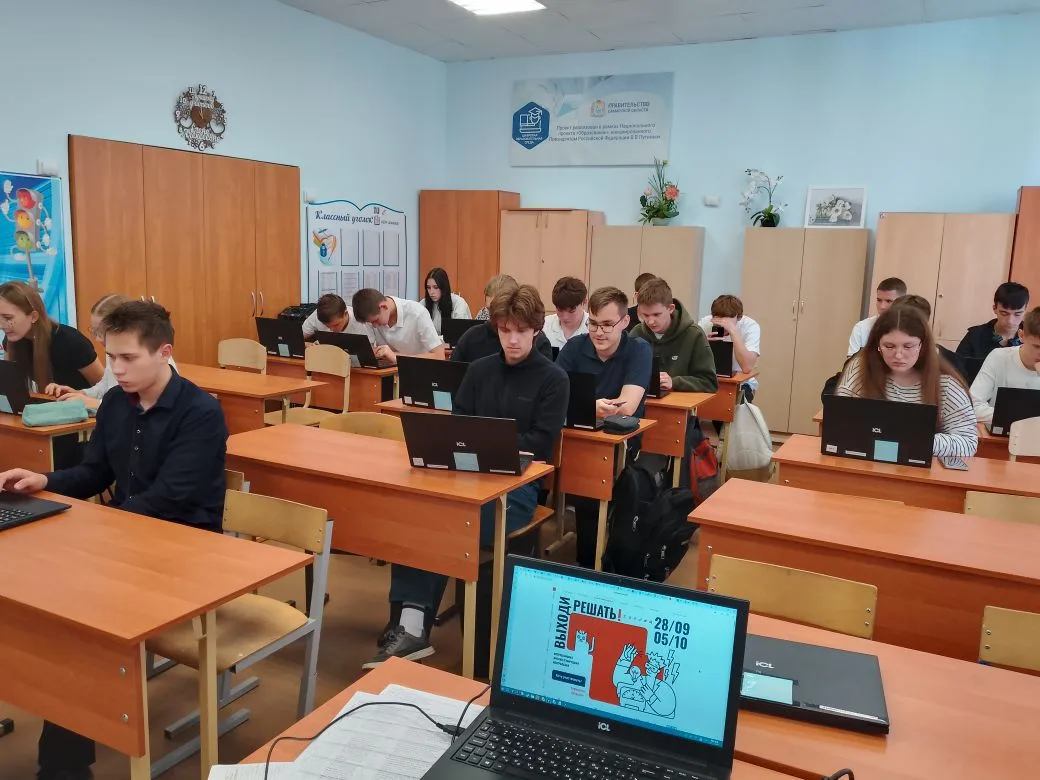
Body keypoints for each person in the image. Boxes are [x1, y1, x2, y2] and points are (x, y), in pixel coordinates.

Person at [0, 300, 228, 780]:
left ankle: (63, 767)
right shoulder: (115, 405)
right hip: (124, 539)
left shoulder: (201, 412)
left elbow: (168, 498)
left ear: (164, 353)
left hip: (186, 550)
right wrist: (45, 481)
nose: (116, 370)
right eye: (111, 357)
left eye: (127, 358)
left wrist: (97, 535)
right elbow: (95, 472)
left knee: (79, 628)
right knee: (49, 607)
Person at [367, 284, 568, 667]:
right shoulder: (479, 370)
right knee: (417, 513)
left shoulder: (554, 379)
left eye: (521, 331)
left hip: (517, 489)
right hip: (467, 477)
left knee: (447, 521)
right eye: (505, 330)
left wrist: (487, 441)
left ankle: (412, 627)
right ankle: (411, 625)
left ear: (536, 330)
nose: (512, 339)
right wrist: (487, 442)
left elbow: (541, 444)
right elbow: (458, 426)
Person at [557, 287, 652, 567]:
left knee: (591, 483)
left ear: (625, 322)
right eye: (593, 324)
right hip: (575, 434)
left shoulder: (638, 350)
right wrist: (592, 407)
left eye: (608, 325)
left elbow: (627, 407)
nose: (599, 332)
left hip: (619, 440)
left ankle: (592, 562)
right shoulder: (575, 348)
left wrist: (585, 406)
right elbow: (551, 396)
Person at [834, 305, 977, 457]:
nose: (898, 355)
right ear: (877, 345)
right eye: (889, 346)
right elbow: (838, 424)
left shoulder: (945, 384)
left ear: (922, 345)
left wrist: (911, 440)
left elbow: (968, 442)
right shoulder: (860, 369)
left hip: (918, 464)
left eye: (908, 346)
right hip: (866, 461)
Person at [43, 293, 179, 410]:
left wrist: (97, 404)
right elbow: (106, 386)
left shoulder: (155, 363)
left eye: (102, 332)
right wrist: (81, 394)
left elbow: (138, 404)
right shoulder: (114, 352)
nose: (98, 338)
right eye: (94, 331)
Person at [0, 280, 104, 391]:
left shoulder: (71, 341)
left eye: (8, 318)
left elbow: (105, 388)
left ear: (34, 317)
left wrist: (79, 395)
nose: (1, 325)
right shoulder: (11, 340)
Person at [630, 278, 718, 394]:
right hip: (642, 402)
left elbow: (709, 383)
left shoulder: (694, 334)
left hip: (680, 403)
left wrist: (674, 382)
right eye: (645, 315)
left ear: (670, 309)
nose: (651, 321)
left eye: (656, 314)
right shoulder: (636, 334)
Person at [451, 277, 553, 363]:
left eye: (499, 311)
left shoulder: (539, 342)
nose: (492, 315)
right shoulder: (471, 337)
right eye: (489, 309)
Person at [970, 307, 1040, 424]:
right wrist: (1019, 417)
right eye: (1037, 346)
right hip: (1002, 432)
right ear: (1021, 336)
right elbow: (972, 406)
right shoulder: (999, 357)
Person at [957, 282, 1030, 384]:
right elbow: (956, 370)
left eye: (1017, 314)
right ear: (994, 309)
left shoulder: (1034, 338)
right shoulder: (975, 335)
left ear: (1025, 310)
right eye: (1004, 313)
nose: (1010, 321)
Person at [351, 288, 445, 364]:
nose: (374, 326)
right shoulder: (373, 315)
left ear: (384, 307)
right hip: (387, 373)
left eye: (376, 321)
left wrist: (396, 357)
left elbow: (439, 356)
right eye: (370, 323)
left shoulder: (417, 313)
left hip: (418, 371)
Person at [698, 294, 761, 396]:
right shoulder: (705, 323)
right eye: (717, 318)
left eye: (725, 320)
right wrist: (703, 344)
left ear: (737, 317)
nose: (721, 324)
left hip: (741, 384)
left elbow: (747, 367)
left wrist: (733, 332)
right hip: (709, 380)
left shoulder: (750, 326)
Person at [848, 277, 907, 356]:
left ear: (902, 302)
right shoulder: (862, 328)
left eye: (889, 301)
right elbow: (851, 362)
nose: (882, 306)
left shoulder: (911, 329)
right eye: (879, 300)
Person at [542, 276, 589, 350]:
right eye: (560, 310)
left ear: (584, 302)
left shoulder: (594, 328)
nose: (565, 317)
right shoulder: (544, 325)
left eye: (571, 310)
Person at [301, 293, 374, 340]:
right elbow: (298, 339)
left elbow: (370, 351)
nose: (332, 330)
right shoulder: (317, 315)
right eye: (327, 326)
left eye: (336, 325)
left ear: (345, 313)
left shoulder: (361, 321)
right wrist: (307, 345)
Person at [423, 267, 472, 335]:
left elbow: (461, 332)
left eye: (436, 287)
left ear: (443, 287)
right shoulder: (423, 303)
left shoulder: (458, 303)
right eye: (428, 288)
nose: (431, 292)